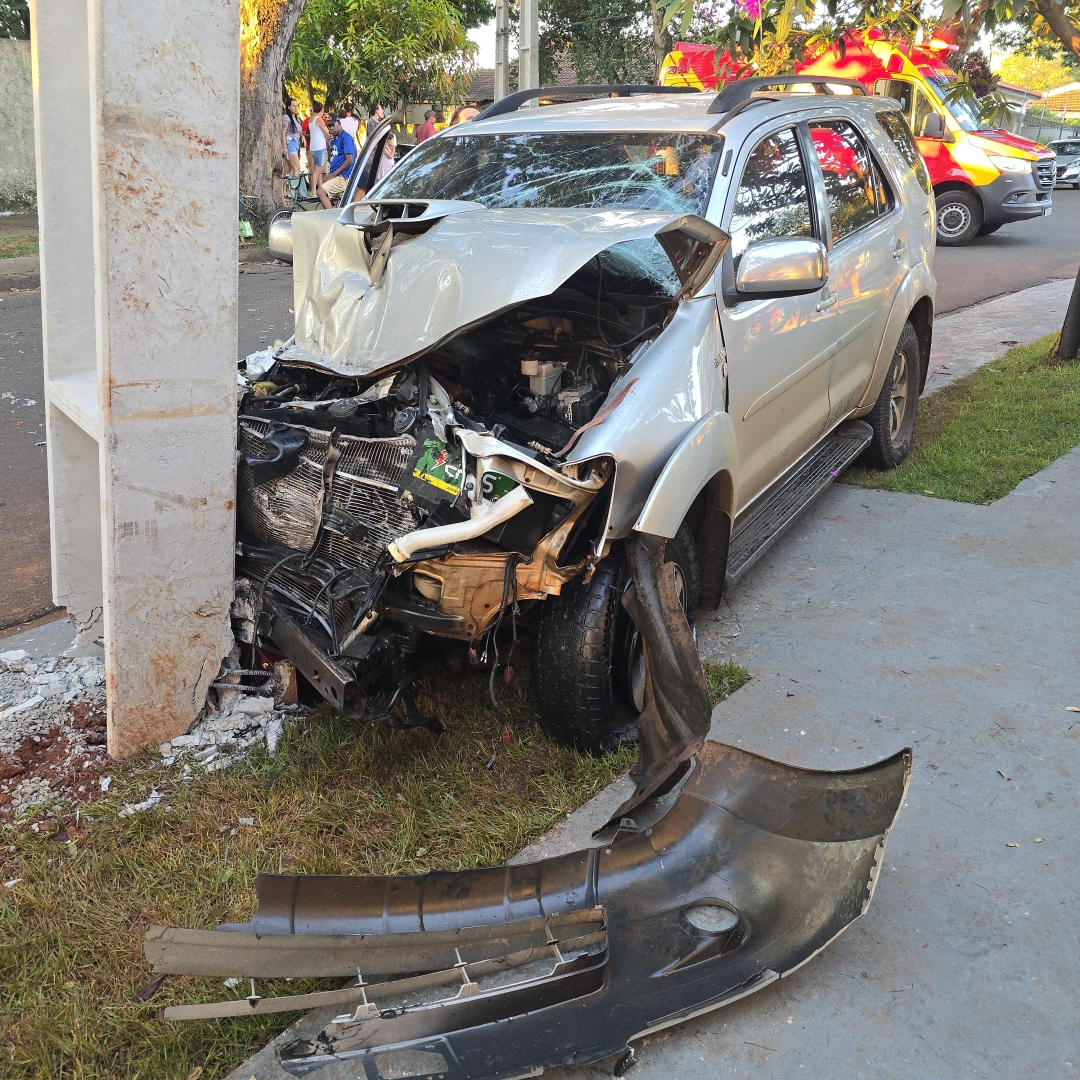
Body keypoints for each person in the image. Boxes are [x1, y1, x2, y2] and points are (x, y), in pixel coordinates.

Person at [317, 114, 357, 208]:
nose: (330, 128)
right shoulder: (334, 139)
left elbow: (350, 160)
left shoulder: (345, 137)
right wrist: (328, 145)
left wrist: (333, 175)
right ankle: (333, 211)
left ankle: (331, 219)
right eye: (328, 126)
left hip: (343, 177)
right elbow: (330, 159)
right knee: (326, 196)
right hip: (336, 175)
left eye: (332, 125)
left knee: (320, 192)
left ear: (339, 123)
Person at [308, 101, 329, 198]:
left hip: (313, 146)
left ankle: (320, 189)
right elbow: (326, 131)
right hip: (319, 147)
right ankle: (313, 191)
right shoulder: (319, 119)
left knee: (318, 170)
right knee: (317, 170)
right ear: (321, 109)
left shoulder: (311, 119)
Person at [281, 98, 302, 178]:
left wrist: (302, 136)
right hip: (290, 142)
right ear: (289, 107)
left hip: (296, 142)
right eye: (293, 106)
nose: (296, 107)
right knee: (296, 167)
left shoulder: (296, 118)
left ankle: (290, 187)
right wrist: (284, 147)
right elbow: (283, 132)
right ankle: (296, 187)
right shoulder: (286, 117)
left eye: (296, 106)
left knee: (291, 169)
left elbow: (297, 131)